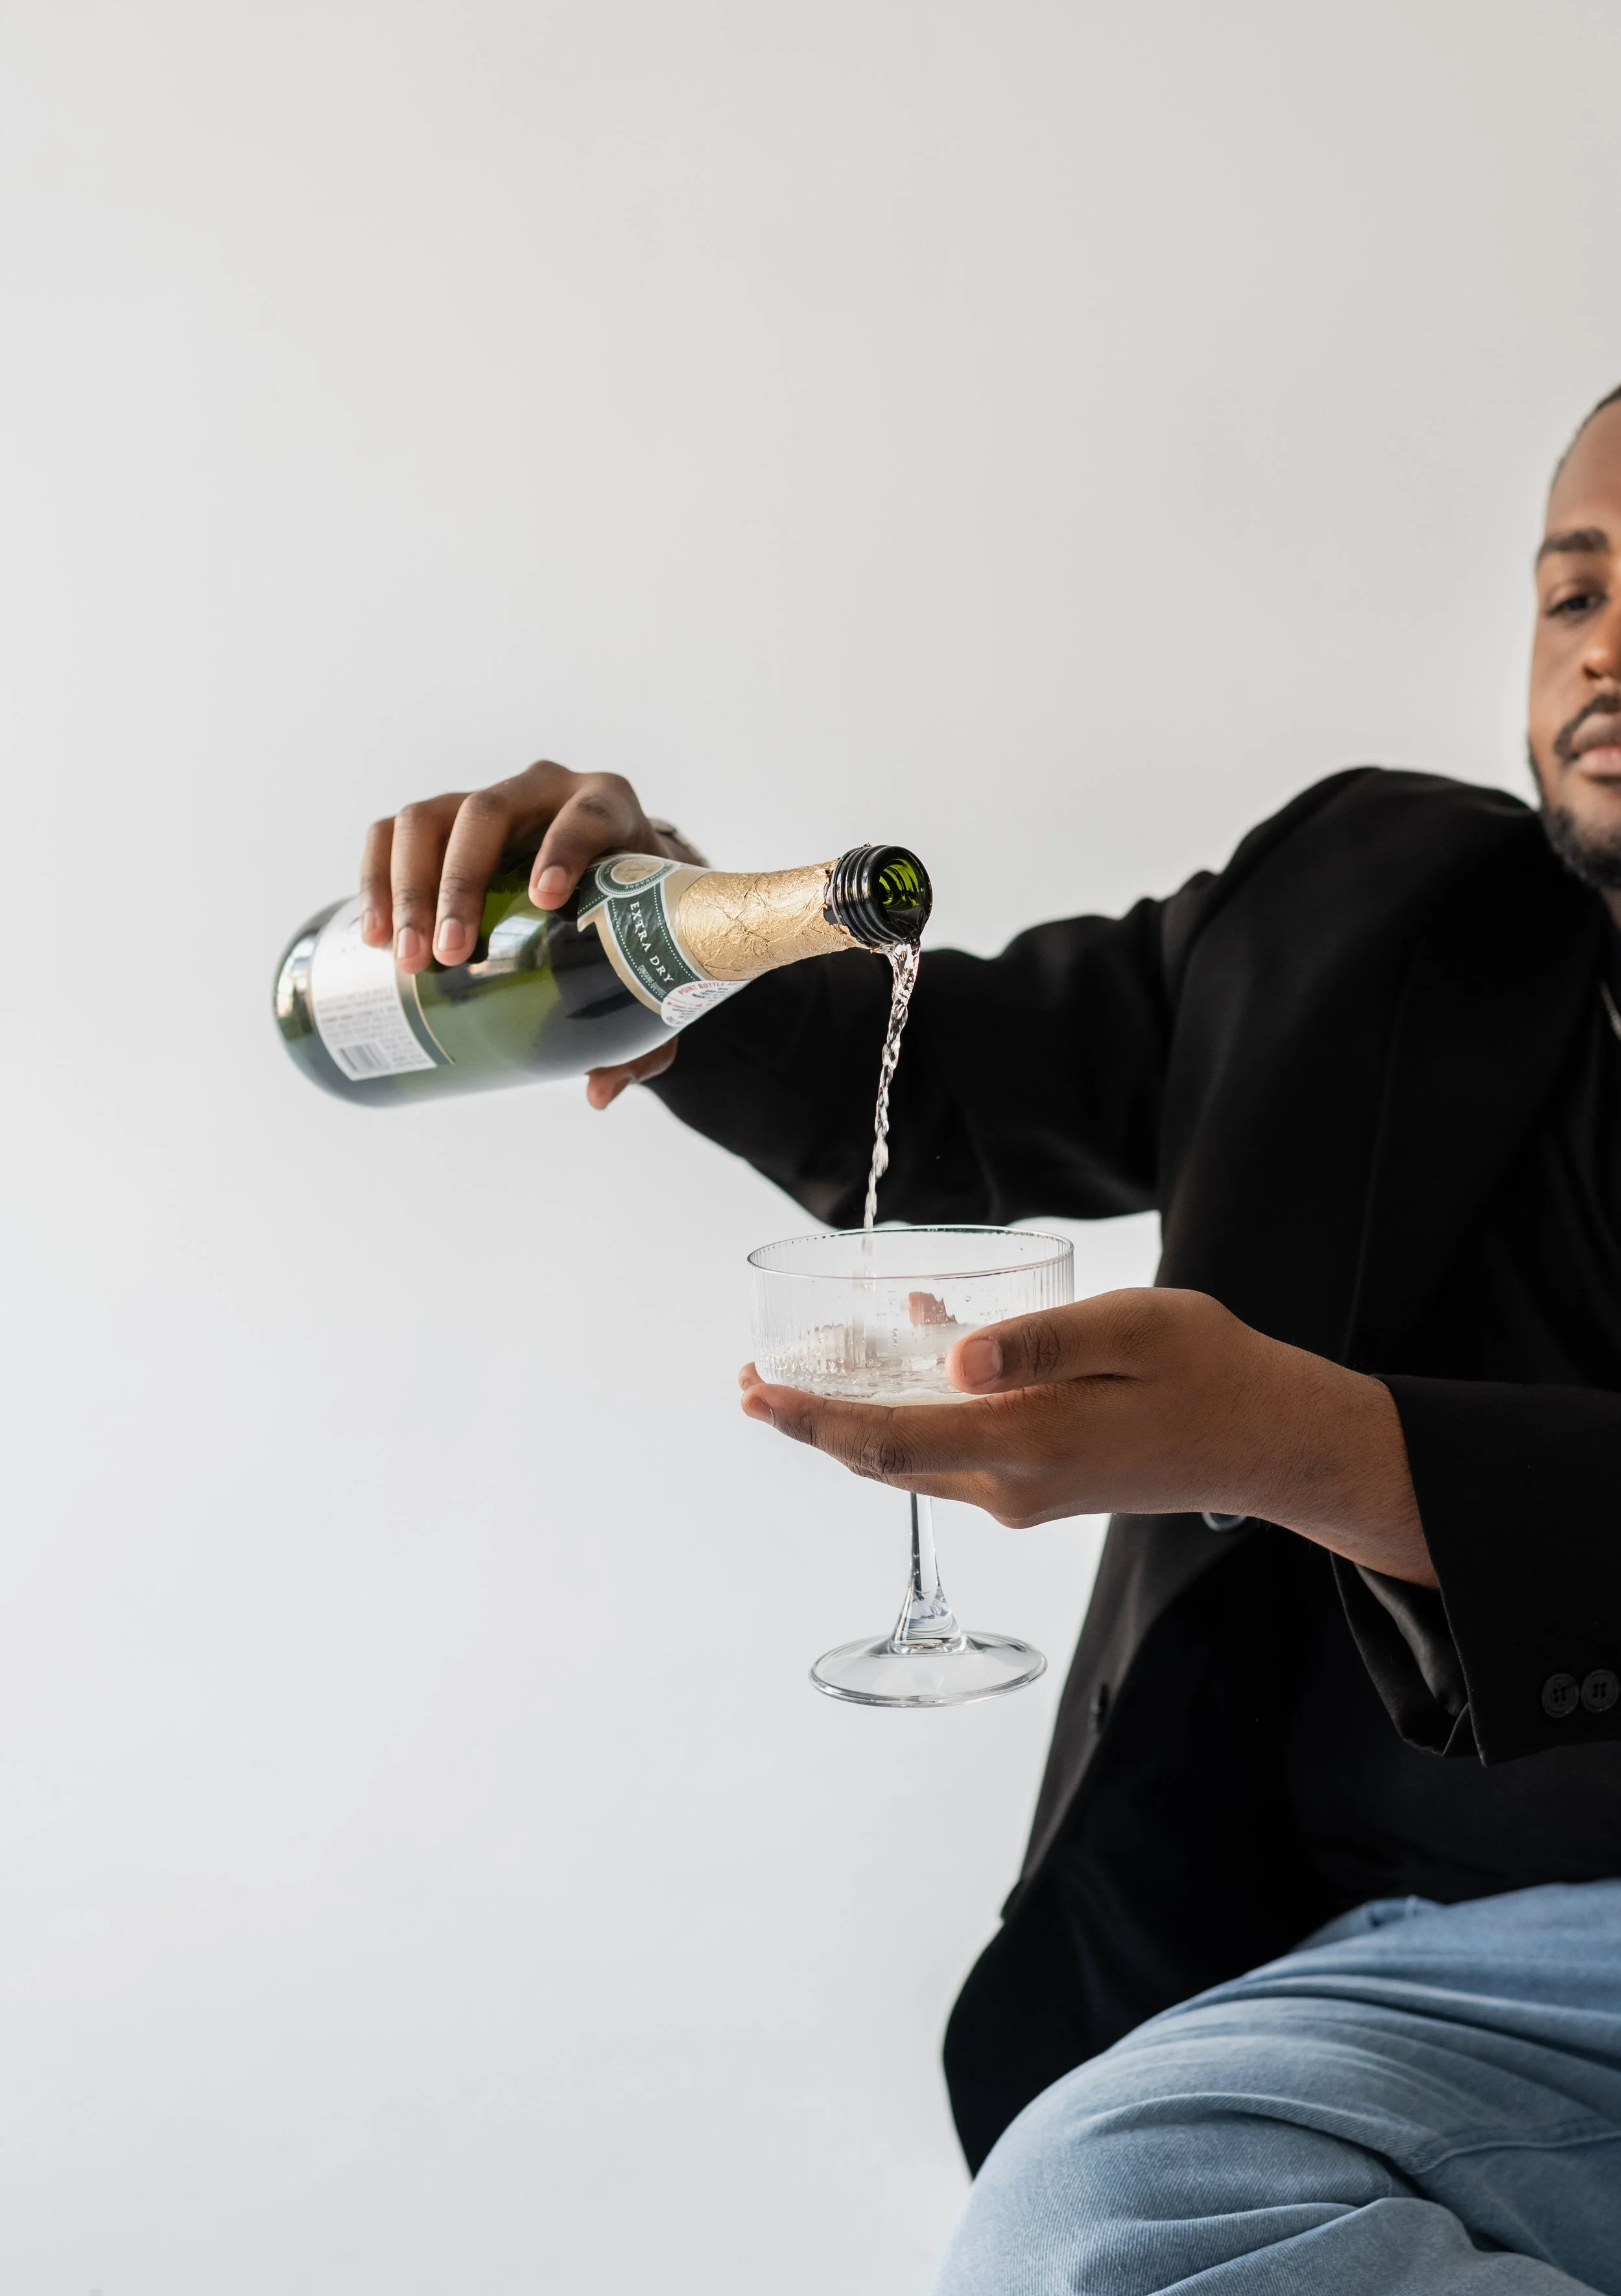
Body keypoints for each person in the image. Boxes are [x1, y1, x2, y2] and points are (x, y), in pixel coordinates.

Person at [357, 387, 1621, 2290]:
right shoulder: (1375, 910)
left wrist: (1299, 1442)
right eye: (1568, 589)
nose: (1601, 643)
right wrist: (635, 911)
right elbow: (923, 1083)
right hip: (1433, 1967)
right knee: (1099, 2210)